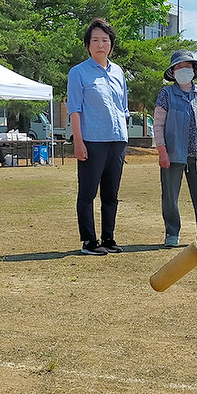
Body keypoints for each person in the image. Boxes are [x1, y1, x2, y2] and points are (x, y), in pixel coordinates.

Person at [66, 18, 129, 255]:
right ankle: (89, 241)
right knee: (88, 192)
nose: (100, 44)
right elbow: (74, 109)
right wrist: (78, 142)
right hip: (92, 140)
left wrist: (124, 137)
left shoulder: (118, 72)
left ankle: (108, 238)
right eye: (95, 40)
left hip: (117, 140)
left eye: (105, 40)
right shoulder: (78, 73)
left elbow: (122, 107)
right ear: (88, 45)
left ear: (111, 44)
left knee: (111, 193)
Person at [153, 50, 197, 248]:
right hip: (172, 154)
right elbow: (158, 125)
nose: (184, 70)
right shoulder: (166, 94)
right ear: (173, 72)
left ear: (194, 70)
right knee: (170, 196)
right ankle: (172, 233)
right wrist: (161, 151)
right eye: (179, 67)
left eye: (187, 67)